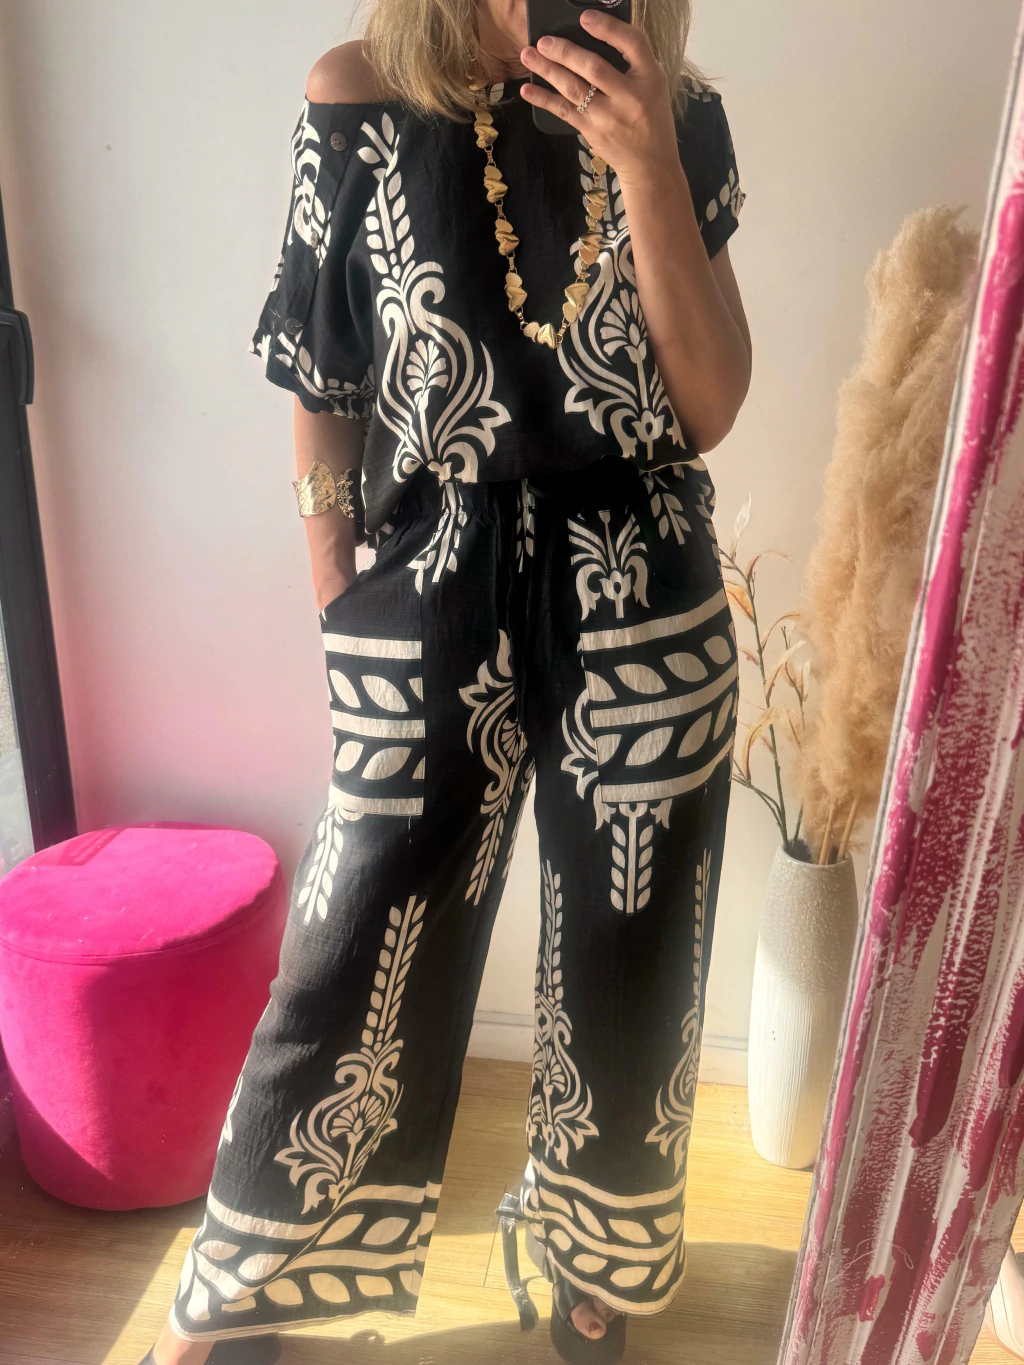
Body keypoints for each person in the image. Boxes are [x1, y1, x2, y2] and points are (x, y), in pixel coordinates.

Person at [141, 0, 750, 1359]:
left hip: (640, 577)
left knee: (634, 951)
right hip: (432, 579)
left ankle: (598, 1250)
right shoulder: (357, 95)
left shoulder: (675, 108)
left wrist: (648, 161)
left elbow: (709, 403)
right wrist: (333, 590)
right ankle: (249, 1279)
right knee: (351, 946)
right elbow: (320, 373)